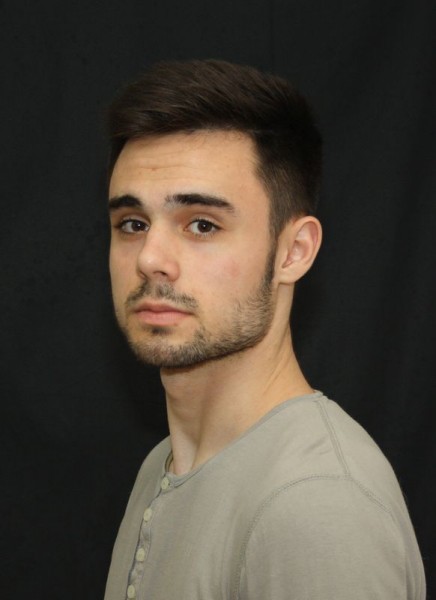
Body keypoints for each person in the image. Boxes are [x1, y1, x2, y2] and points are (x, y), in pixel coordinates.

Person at [103, 59, 425, 600]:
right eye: (132, 224)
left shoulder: (316, 505)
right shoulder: (163, 466)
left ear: (293, 252)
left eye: (201, 224)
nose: (150, 258)